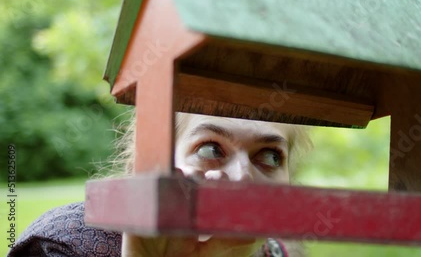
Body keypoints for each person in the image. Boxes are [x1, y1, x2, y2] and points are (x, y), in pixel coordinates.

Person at [8, 112, 311, 257]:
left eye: (270, 156)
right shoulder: (64, 247)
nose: (243, 177)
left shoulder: (281, 252)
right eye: (211, 150)